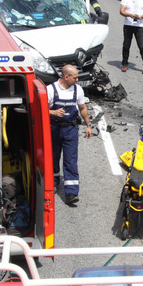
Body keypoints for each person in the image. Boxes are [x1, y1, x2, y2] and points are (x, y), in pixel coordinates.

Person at [47, 64, 93, 205]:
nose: (77, 79)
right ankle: (53, 184)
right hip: (54, 129)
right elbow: (40, 108)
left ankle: (71, 192)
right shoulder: (50, 90)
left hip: (70, 130)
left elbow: (82, 108)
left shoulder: (77, 90)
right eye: (75, 77)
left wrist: (88, 125)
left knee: (71, 159)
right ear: (66, 77)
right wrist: (53, 112)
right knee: (53, 157)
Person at [119, 0, 143, 73]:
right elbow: (121, 11)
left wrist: (141, 16)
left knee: (141, 46)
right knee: (126, 45)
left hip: (139, 25)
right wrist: (129, 15)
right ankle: (124, 64)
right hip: (128, 25)